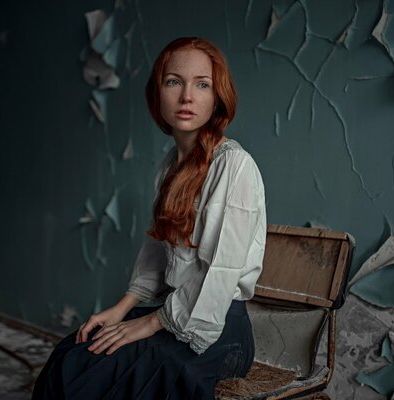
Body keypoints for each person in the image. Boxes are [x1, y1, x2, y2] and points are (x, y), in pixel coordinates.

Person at [32, 37, 266, 400]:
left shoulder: (234, 166)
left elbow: (220, 271)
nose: (187, 95)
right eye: (174, 81)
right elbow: (158, 251)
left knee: (115, 372)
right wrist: (122, 309)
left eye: (202, 84)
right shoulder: (169, 167)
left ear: (217, 97)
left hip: (218, 329)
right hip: (173, 311)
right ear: (157, 94)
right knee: (73, 354)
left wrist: (151, 322)